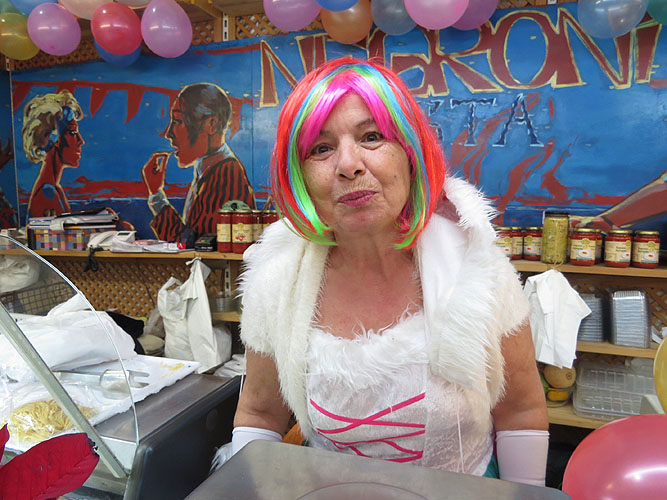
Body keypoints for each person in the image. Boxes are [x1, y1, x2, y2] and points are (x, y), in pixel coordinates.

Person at [220, 58, 548, 485]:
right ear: (300, 177)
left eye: (372, 137)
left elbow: (520, 411)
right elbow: (261, 412)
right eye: (321, 148)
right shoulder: (278, 280)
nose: (349, 164)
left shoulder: (477, 268)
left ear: (410, 154)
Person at [142, 83, 255, 242]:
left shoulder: (226, 176)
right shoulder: (211, 171)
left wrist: (156, 195)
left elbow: (194, 244)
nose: (169, 133)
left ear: (211, 124)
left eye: (178, 121)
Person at [22, 90, 84, 218]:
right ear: (55, 140)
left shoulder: (54, 188)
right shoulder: (48, 192)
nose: (81, 141)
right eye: (73, 132)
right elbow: (68, 230)